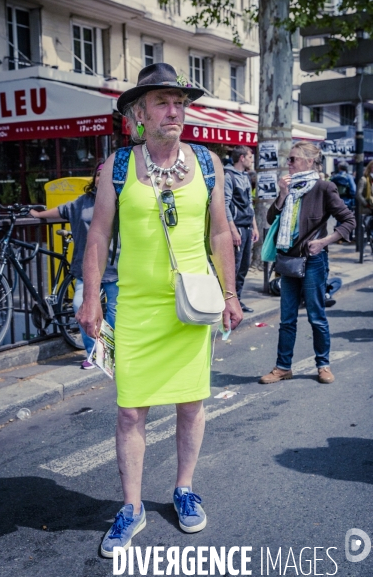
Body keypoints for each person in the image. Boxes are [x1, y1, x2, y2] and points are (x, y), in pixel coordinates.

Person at [76, 63, 242, 555]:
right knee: (131, 412)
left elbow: (219, 234)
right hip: (136, 308)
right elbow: (100, 235)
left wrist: (230, 294)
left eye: (180, 102)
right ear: (139, 113)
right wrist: (90, 298)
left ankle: (184, 490)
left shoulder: (208, 163)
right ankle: (131, 508)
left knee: (191, 404)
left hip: (192, 306)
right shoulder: (118, 166)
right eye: (163, 103)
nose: (175, 111)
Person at [260, 141, 355, 386]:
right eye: (288, 159)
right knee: (287, 318)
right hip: (289, 260)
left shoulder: (324, 187)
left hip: (313, 260)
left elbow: (348, 220)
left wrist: (325, 241)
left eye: (293, 159)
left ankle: (323, 364)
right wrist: (281, 195)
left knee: (316, 316)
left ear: (309, 161)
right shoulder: (289, 188)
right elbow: (272, 218)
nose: (288, 164)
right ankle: (283, 367)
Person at [30, 162, 119, 369]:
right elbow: (62, 210)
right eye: (98, 175)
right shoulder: (82, 202)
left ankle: (107, 354)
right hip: (86, 268)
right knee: (80, 305)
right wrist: (38, 215)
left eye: (105, 175)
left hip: (116, 266)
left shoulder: (121, 201)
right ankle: (92, 353)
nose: (101, 179)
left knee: (115, 312)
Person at [224, 145, 259, 313]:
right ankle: (228, 302)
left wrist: (255, 227)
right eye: (250, 157)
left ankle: (237, 300)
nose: (252, 161)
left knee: (244, 266)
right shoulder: (228, 176)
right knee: (235, 266)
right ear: (242, 158)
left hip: (246, 227)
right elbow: (225, 205)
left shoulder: (245, 176)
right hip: (237, 227)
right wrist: (233, 230)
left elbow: (248, 204)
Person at [356, 160, 373, 242]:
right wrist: (367, 204)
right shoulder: (364, 179)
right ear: (370, 168)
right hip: (368, 208)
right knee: (369, 227)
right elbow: (359, 195)